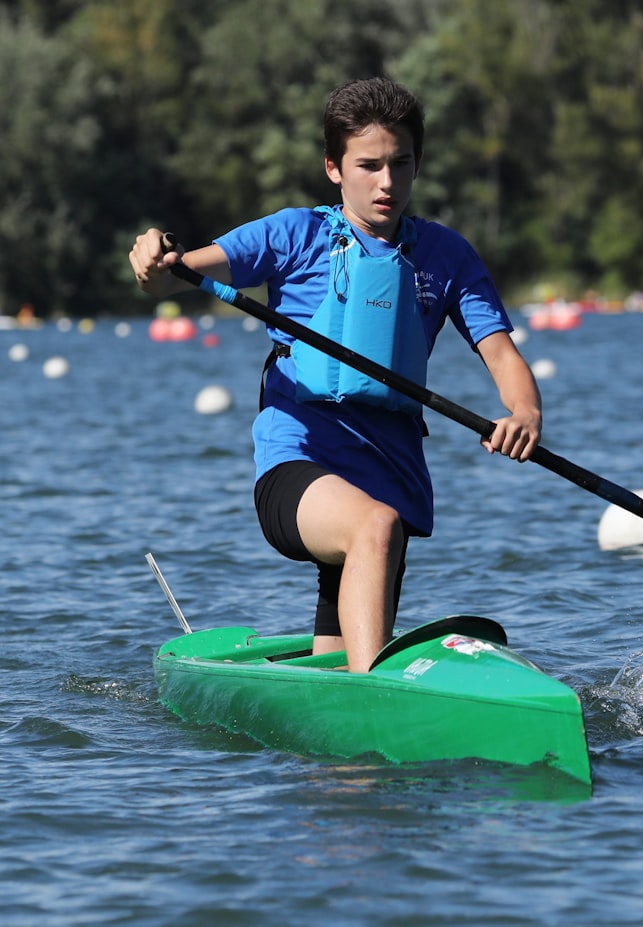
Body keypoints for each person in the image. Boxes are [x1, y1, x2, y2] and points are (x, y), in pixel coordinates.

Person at [129, 77, 542, 672]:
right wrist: (151, 256)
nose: (387, 182)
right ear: (333, 167)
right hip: (299, 466)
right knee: (375, 527)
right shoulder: (292, 236)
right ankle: (380, 703)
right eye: (368, 165)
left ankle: (345, 744)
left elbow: (501, 354)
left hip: (386, 473)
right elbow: (174, 273)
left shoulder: (447, 255)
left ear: (418, 163)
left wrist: (524, 413)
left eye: (401, 164)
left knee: (347, 649)